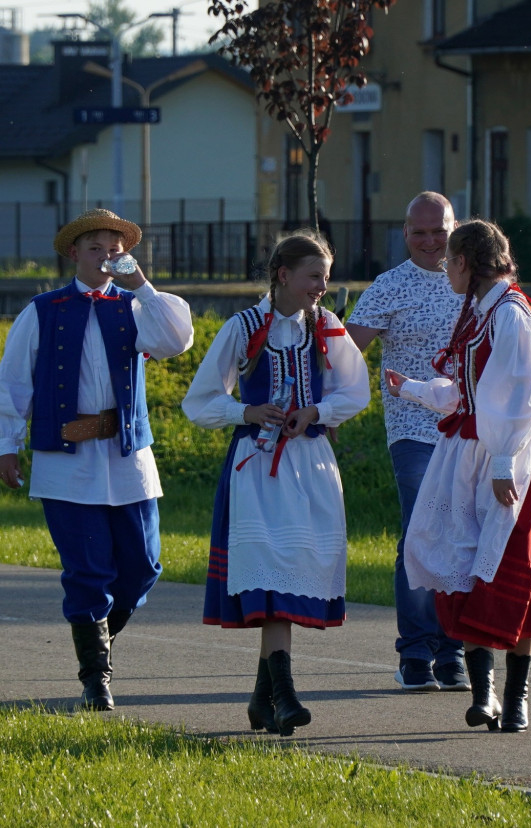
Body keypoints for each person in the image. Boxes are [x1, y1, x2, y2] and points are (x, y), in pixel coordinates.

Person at [386, 218, 531, 732]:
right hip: (467, 456)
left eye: (451, 259)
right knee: (464, 568)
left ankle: (515, 697)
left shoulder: (511, 315)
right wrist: (411, 389)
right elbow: (466, 393)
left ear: (468, 263)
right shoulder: (478, 311)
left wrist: (500, 465)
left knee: (512, 574)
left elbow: (518, 398)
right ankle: (483, 694)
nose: (445, 267)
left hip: (510, 460)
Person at [0, 208, 194, 712]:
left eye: (115, 249)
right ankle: (95, 677)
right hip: (66, 459)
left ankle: (97, 635)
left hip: (127, 455)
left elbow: (176, 341)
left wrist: (141, 284)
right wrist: (5, 445)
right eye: (95, 248)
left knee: (143, 565)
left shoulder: (137, 307)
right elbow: (12, 383)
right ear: (74, 253)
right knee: (87, 570)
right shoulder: (44, 310)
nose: (107, 257)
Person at [182, 229, 370, 736]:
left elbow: (357, 390)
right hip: (257, 466)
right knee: (268, 575)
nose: (321, 289)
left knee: (287, 574)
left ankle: (264, 699)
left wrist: (318, 410)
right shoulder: (244, 327)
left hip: (309, 466)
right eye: (314, 277)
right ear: (284, 275)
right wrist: (244, 409)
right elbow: (199, 401)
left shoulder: (326, 327)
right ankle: (284, 697)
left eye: (326, 279)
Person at [345, 192, 467, 692]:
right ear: (405, 234)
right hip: (413, 430)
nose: (430, 241)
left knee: (460, 534)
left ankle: (452, 651)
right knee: (420, 532)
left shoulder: (475, 286)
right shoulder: (388, 286)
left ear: (454, 229)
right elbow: (345, 354)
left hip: (467, 430)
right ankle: (415, 653)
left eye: (439, 230)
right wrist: (325, 412)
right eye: (420, 232)